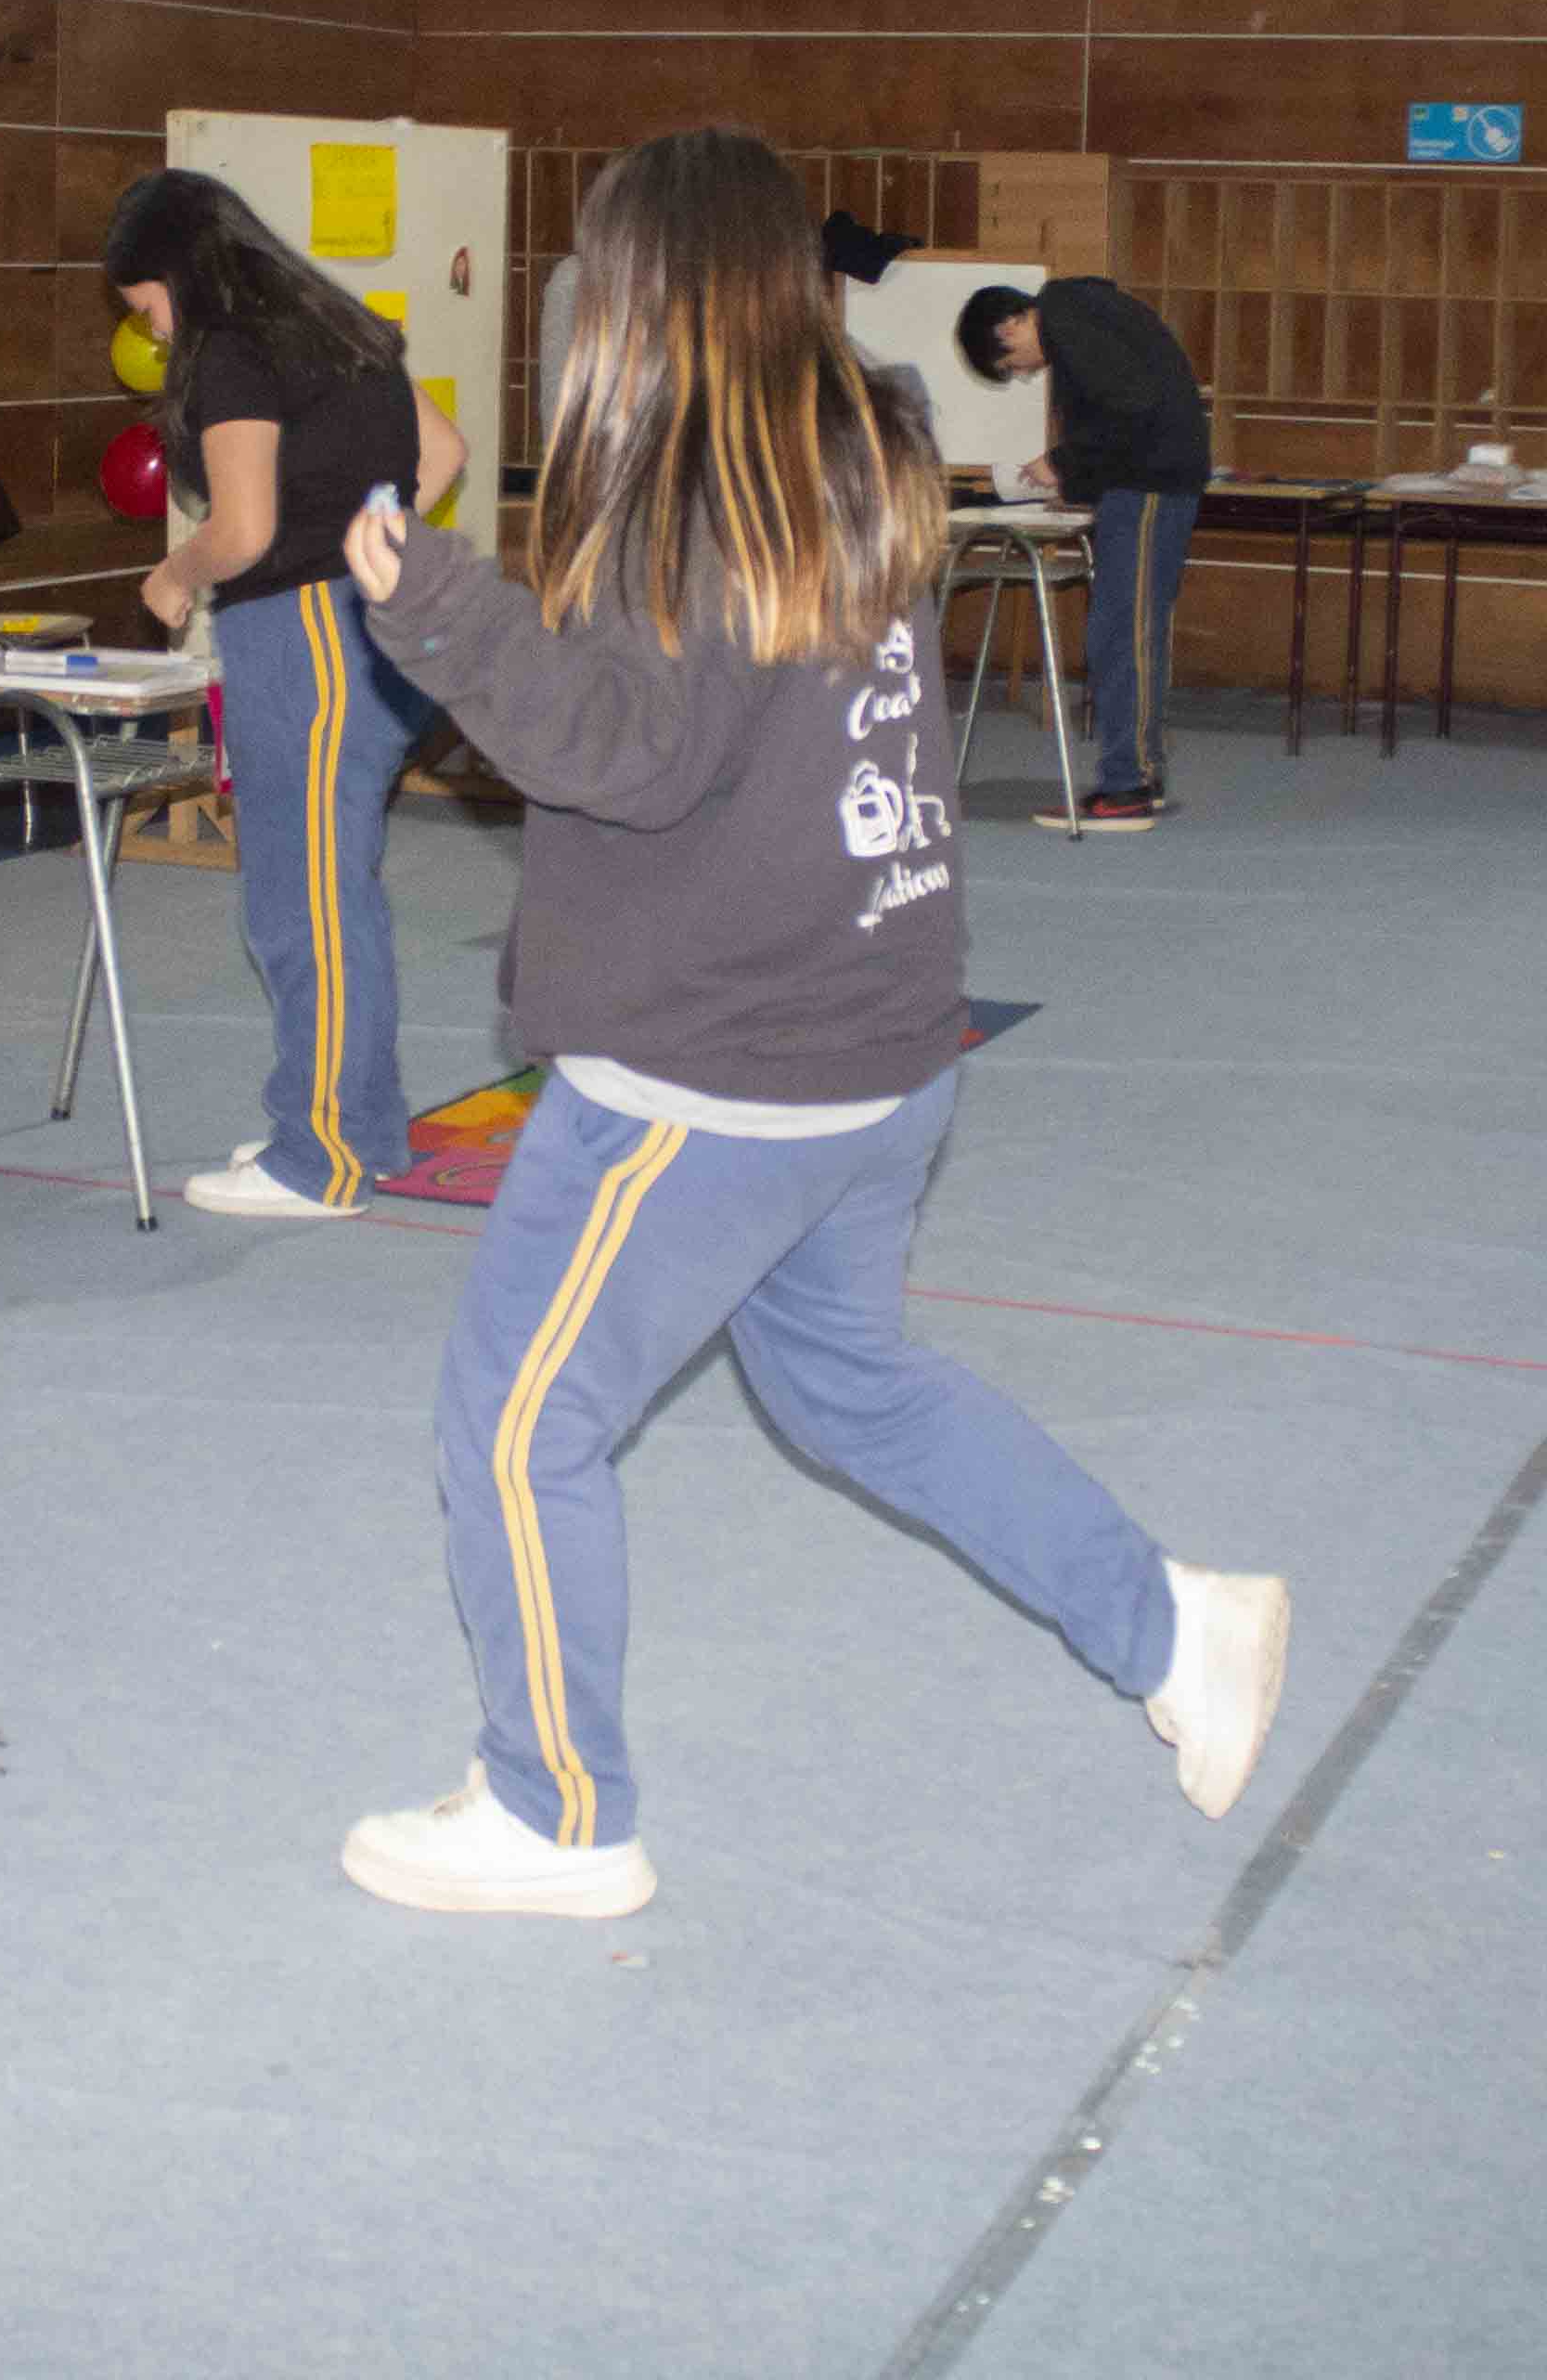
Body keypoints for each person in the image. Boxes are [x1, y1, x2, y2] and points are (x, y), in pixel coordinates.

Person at [332, 126, 1288, 1919]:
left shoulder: (694, 496)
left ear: (638, 294)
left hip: (715, 1080)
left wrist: (433, 599)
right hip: (875, 1053)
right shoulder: (850, 458)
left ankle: (554, 1814)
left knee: (516, 1425)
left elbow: (624, 751)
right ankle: (1172, 1625)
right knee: (849, 1388)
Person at [101, 171, 468, 1219]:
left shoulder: (230, 348)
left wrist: (176, 574)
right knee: (336, 891)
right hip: (379, 622)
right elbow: (443, 454)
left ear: (175, 276)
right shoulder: (333, 322)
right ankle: (366, 1127)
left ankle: (319, 1158)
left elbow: (245, 529)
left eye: (146, 306)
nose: (154, 331)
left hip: (305, 640)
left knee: (300, 905)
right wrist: (366, 540)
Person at [954, 276, 1207, 831]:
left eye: (1011, 363)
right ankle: (1140, 775)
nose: (1024, 372)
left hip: (1149, 488)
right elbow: (1125, 414)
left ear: (1010, 325)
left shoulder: (1066, 315)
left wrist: (1061, 462)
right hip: (1152, 483)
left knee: (1121, 634)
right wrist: (1078, 481)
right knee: (1133, 633)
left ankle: (1126, 788)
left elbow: (1131, 407)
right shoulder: (1081, 312)